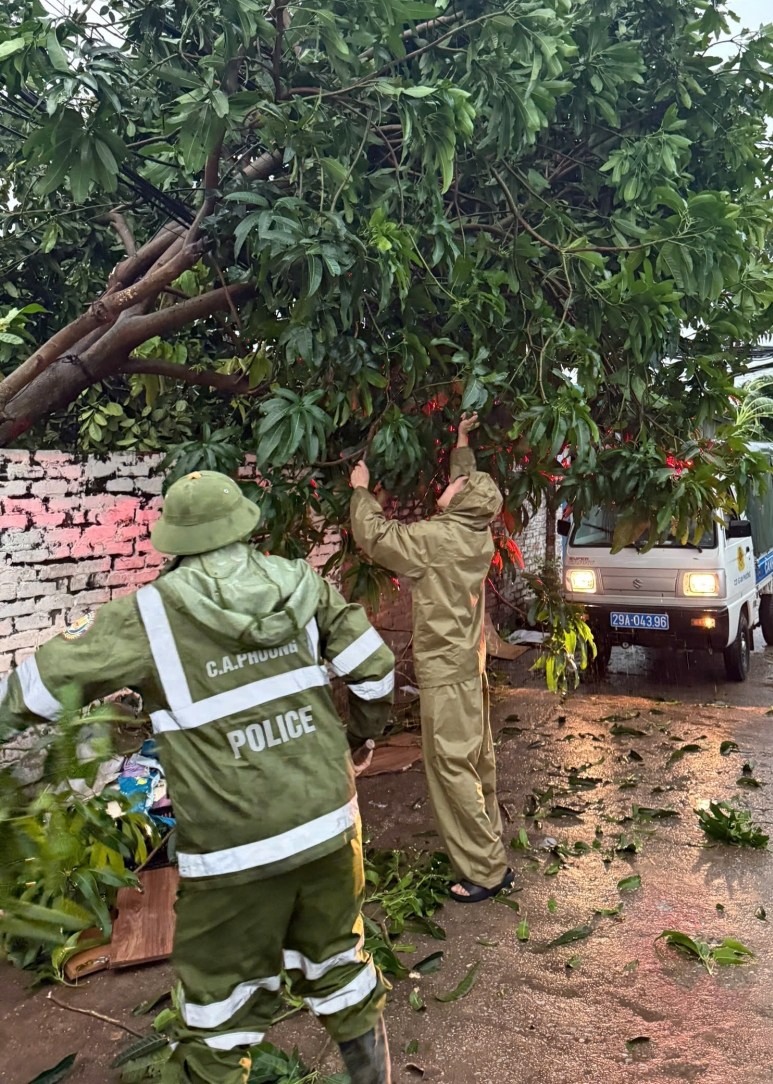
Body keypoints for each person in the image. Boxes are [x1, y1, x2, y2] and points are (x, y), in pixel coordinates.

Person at [0, 471, 396, 1084]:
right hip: (328, 824)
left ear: (174, 539)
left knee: (219, 1013)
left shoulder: (147, 617)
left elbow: (33, 690)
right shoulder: (304, 584)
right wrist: (354, 740)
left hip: (235, 850)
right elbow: (375, 672)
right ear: (243, 525)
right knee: (341, 968)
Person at [350, 413, 513, 904]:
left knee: (451, 769)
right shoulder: (474, 532)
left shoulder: (437, 538)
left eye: (454, 483)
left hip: (446, 673)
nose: (448, 484)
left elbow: (377, 537)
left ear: (461, 498)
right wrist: (462, 442)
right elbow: (468, 488)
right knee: (475, 763)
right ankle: (490, 853)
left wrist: (361, 491)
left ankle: (485, 871)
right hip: (468, 667)